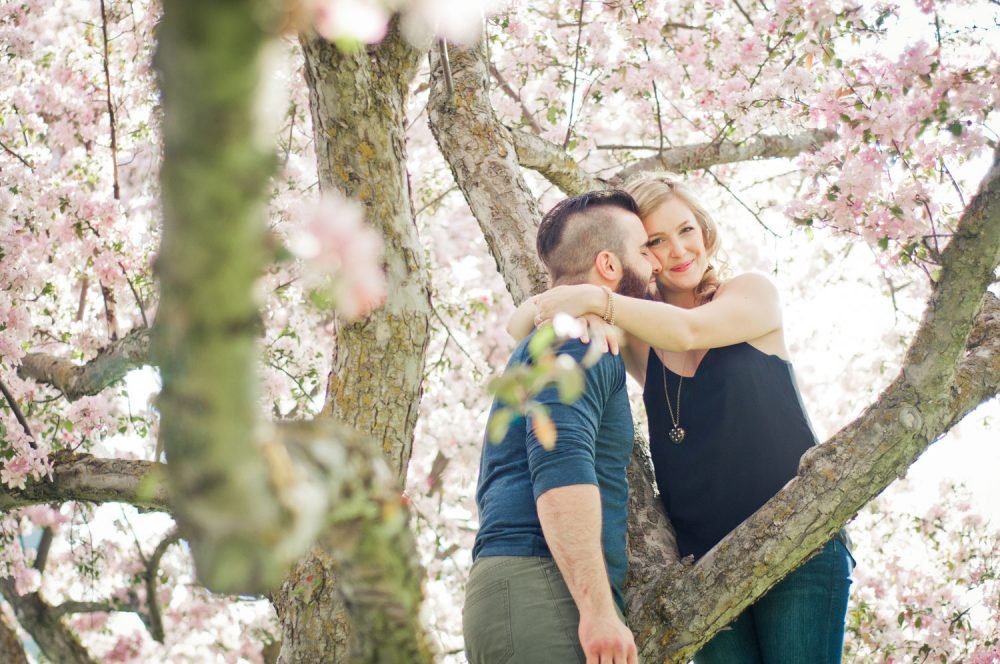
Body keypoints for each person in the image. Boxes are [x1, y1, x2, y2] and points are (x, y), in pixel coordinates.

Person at [509, 173, 854, 664]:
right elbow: (519, 323)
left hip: (799, 540)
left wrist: (594, 301)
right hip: (703, 566)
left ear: (705, 231)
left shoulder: (751, 293)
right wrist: (584, 315)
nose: (678, 250)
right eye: (656, 241)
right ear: (639, 254)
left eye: (687, 230)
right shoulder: (633, 334)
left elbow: (690, 331)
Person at [464, 190, 660, 664]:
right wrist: (596, 612)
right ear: (610, 265)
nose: (655, 261)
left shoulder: (558, 336)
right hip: (542, 583)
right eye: (644, 249)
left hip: (530, 586)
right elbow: (559, 460)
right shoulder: (582, 339)